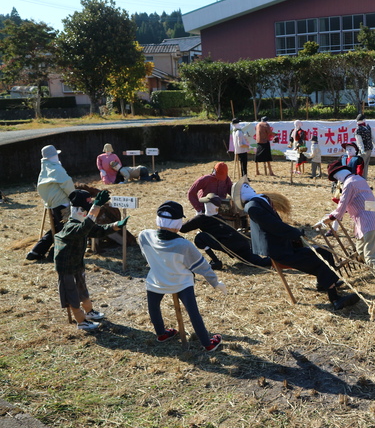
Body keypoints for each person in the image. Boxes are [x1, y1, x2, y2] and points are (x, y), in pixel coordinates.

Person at [233, 177, 360, 310]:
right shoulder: (253, 207)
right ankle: (335, 299)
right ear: (242, 195)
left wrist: (295, 235)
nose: (250, 187)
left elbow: (276, 225)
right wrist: (296, 233)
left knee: (325, 251)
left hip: (285, 246)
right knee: (319, 260)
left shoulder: (258, 202)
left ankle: (325, 283)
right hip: (280, 252)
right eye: (245, 187)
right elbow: (275, 226)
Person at [138, 200, 227, 352]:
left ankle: (161, 334)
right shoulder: (183, 245)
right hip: (181, 282)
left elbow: (146, 255)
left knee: (153, 307)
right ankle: (207, 343)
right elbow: (202, 266)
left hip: (156, 279)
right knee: (193, 312)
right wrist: (215, 282)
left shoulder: (144, 235)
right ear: (178, 223)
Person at [54, 189, 128, 330]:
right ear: (79, 210)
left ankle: (89, 312)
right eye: (86, 210)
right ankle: (81, 321)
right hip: (66, 266)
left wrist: (116, 225)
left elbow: (98, 230)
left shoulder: (82, 225)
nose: (88, 213)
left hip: (77, 262)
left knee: (82, 287)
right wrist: (96, 207)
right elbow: (85, 228)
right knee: (72, 292)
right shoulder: (72, 226)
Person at [316, 161, 375, 283]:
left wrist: (325, 220)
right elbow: (356, 200)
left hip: (366, 221)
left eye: (336, 178)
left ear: (338, 175)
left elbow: (341, 208)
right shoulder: (359, 179)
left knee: (369, 257)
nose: (337, 180)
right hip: (369, 218)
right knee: (360, 251)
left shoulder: (349, 184)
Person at [180, 193, 271, 270]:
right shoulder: (219, 217)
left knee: (200, 237)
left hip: (231, 246)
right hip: (240, 242)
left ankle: (216, 261)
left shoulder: (200, 218)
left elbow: (182, 229)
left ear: (207, 205)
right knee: (258, 261)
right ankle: (274, 259)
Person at [26, 145, 76, 261]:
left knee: (56, 227)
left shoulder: (45, 168)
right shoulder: (56, 168)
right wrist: (74, 197)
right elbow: (67, 184)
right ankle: (56, 253)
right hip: (62, 203)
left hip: (52, 203)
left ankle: (36, 251)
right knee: (64, 229)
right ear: (53, 156)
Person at [354, 114, 375, 178]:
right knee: (361, 165)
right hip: (363, 150)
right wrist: (362, 149)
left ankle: (364, 178)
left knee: (366, 165)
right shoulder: (358, 130)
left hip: (369, 148)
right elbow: (359, 141)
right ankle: (359, 178)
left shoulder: (367, 127)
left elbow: (372, 137)